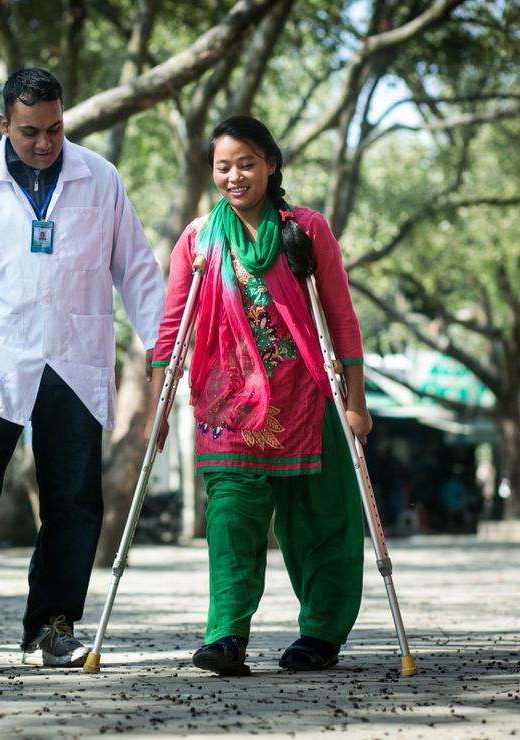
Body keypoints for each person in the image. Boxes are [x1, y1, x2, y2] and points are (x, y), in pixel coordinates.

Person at [0, 69, 165, 667]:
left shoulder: (100, 178)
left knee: (73, 498)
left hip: (75, 356)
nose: (45, 142)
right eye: (30, 132)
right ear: (4, 125)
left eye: (54, 128)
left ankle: (51, 627)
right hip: (0, 354)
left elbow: (136, 270)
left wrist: (164, 348)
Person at [148, 115, 370, 676]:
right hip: (231, 405)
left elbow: (340, 318)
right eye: (223, 166)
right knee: (230, 518)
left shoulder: (306, 229)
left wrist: (356, 400)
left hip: (308, 397)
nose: (234, 176)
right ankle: (226, 636)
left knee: (321, 520)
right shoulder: (199, 239)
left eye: (246, 163)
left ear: (271, 164)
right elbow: (172, 327)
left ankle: (320, 634)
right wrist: (158, 407)